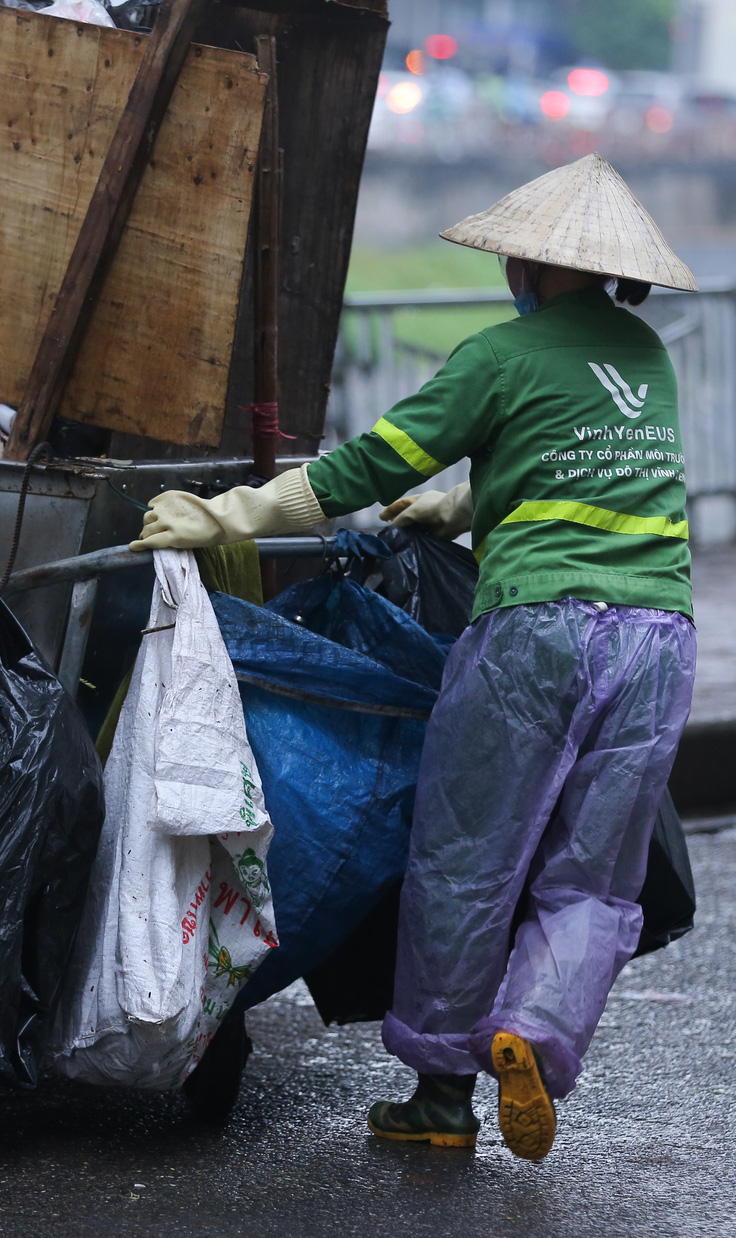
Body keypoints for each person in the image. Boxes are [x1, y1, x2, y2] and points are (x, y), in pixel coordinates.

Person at [129, 154, 698, 1161]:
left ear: (529, 261)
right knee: (590, 877)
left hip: (537, 634)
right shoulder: (644, 354)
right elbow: (584, 462)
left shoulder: (498, 354)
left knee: (467, 861)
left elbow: (368, 465)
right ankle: (534, 1032)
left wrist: (231, 514)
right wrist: (464, 503)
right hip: (657, 641)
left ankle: (440, 1097)